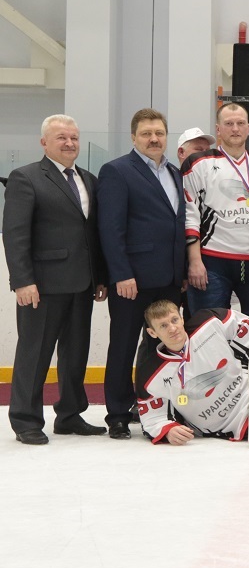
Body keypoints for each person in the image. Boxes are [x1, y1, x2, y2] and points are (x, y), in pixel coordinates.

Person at [3, 114, 108, 445]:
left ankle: (70, 415)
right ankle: (26, 420)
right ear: (44, 142)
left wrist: (100, 277)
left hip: (83, 283)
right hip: (42, 286)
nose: (69, 143)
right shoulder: (26, 177)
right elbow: (15, 234)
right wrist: (23, 281)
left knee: (76, 354)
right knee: (34, 353)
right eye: (61, 137)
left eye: (74, 137)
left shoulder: (89, 179)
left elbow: (93, 234)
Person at [96, 108, 186, 440]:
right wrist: (121, 273)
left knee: (161, 346)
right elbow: (110, 228)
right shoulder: (117, 171)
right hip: (132, 280)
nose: (153, 139)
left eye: (159, 133)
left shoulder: (175, 172)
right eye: (146, 133)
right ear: (134, 137)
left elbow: (177, 223)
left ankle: (152, 405)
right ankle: (118, 414)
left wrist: (182, 271)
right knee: (123, 346)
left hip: (170, 278)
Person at [182, 103, 249, 335]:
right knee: (208, 332)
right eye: (229, 124)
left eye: (240, 123)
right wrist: (194, 261)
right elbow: (190, 214)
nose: (235, 129)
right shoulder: (199, 163)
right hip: (213, 261)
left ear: (248, 128)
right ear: (218, 129)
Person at [136, 300, 249, 445]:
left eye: (174, 320)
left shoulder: (210, 322)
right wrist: (168, 430)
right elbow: (153, 417)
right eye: (163, 326)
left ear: (182, 319)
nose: (172, 329)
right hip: (221, 428)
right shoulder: (149, 374)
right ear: (152, 333)